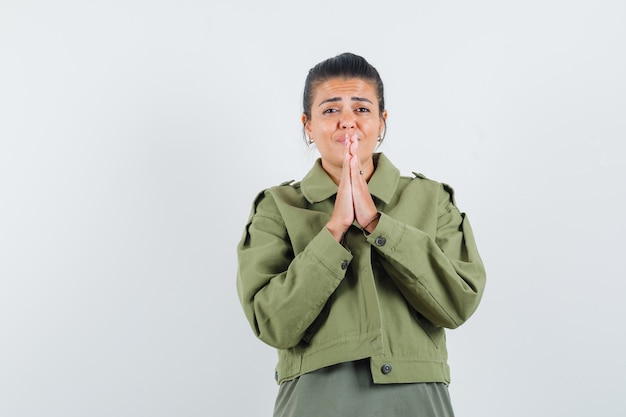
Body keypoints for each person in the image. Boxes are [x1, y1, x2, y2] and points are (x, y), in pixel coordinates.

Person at [236, 52, 486, 416]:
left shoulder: (431, 200)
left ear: (382, 121)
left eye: (362, 109)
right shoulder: (278, 207)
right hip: (316, 403)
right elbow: (273, 324)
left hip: (415, 404)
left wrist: (376, 223)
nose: (347, 122)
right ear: (308, 125)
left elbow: (457, 303)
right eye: (331, 110)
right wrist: (334, 230)